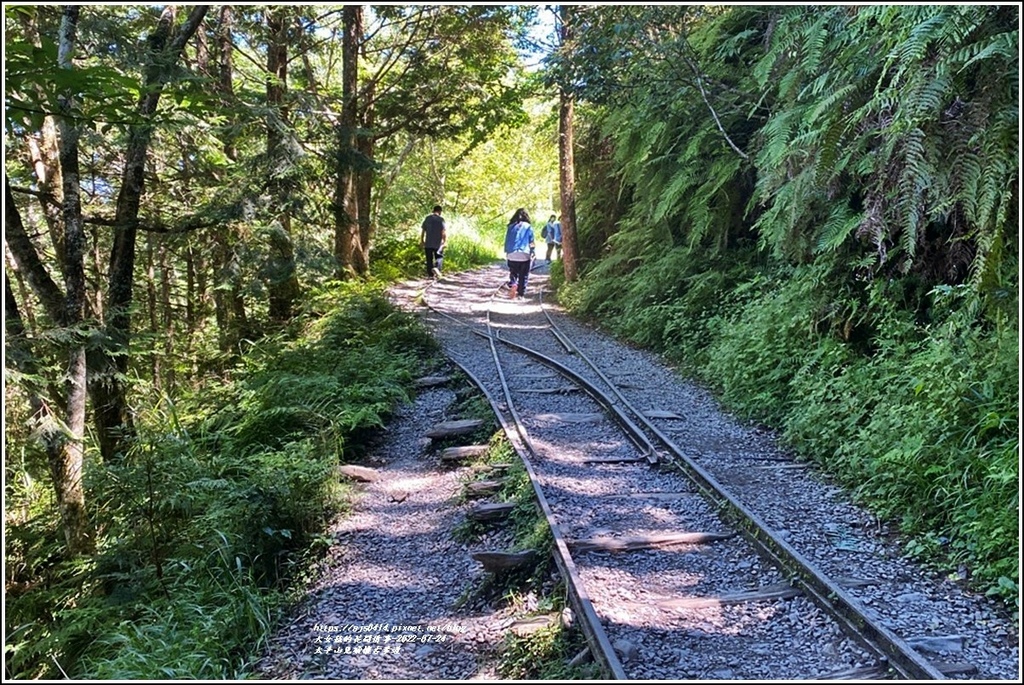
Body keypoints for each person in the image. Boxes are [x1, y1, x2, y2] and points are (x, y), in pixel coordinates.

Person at [503, 208, 535, 300]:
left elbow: (507, 240)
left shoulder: (510, 226)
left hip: (511, 253)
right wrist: (533, 251)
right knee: (523, 275)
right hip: (524, 253)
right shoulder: (528, 226)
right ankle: (521, 295)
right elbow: (531, 241)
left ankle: (513, 283)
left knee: (513, 272)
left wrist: (507, 252)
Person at [420, 204, 446, 279]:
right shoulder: (441, 219)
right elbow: (443, 232)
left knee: (429, 259)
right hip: (438, 243)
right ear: (440, 211)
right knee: (439, 256)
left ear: (433, 210)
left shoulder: (427, 218)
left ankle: (430, 275)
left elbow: (423, 231)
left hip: (428, 242)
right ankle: (437, 268)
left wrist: (422, 240)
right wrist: (444, 241)